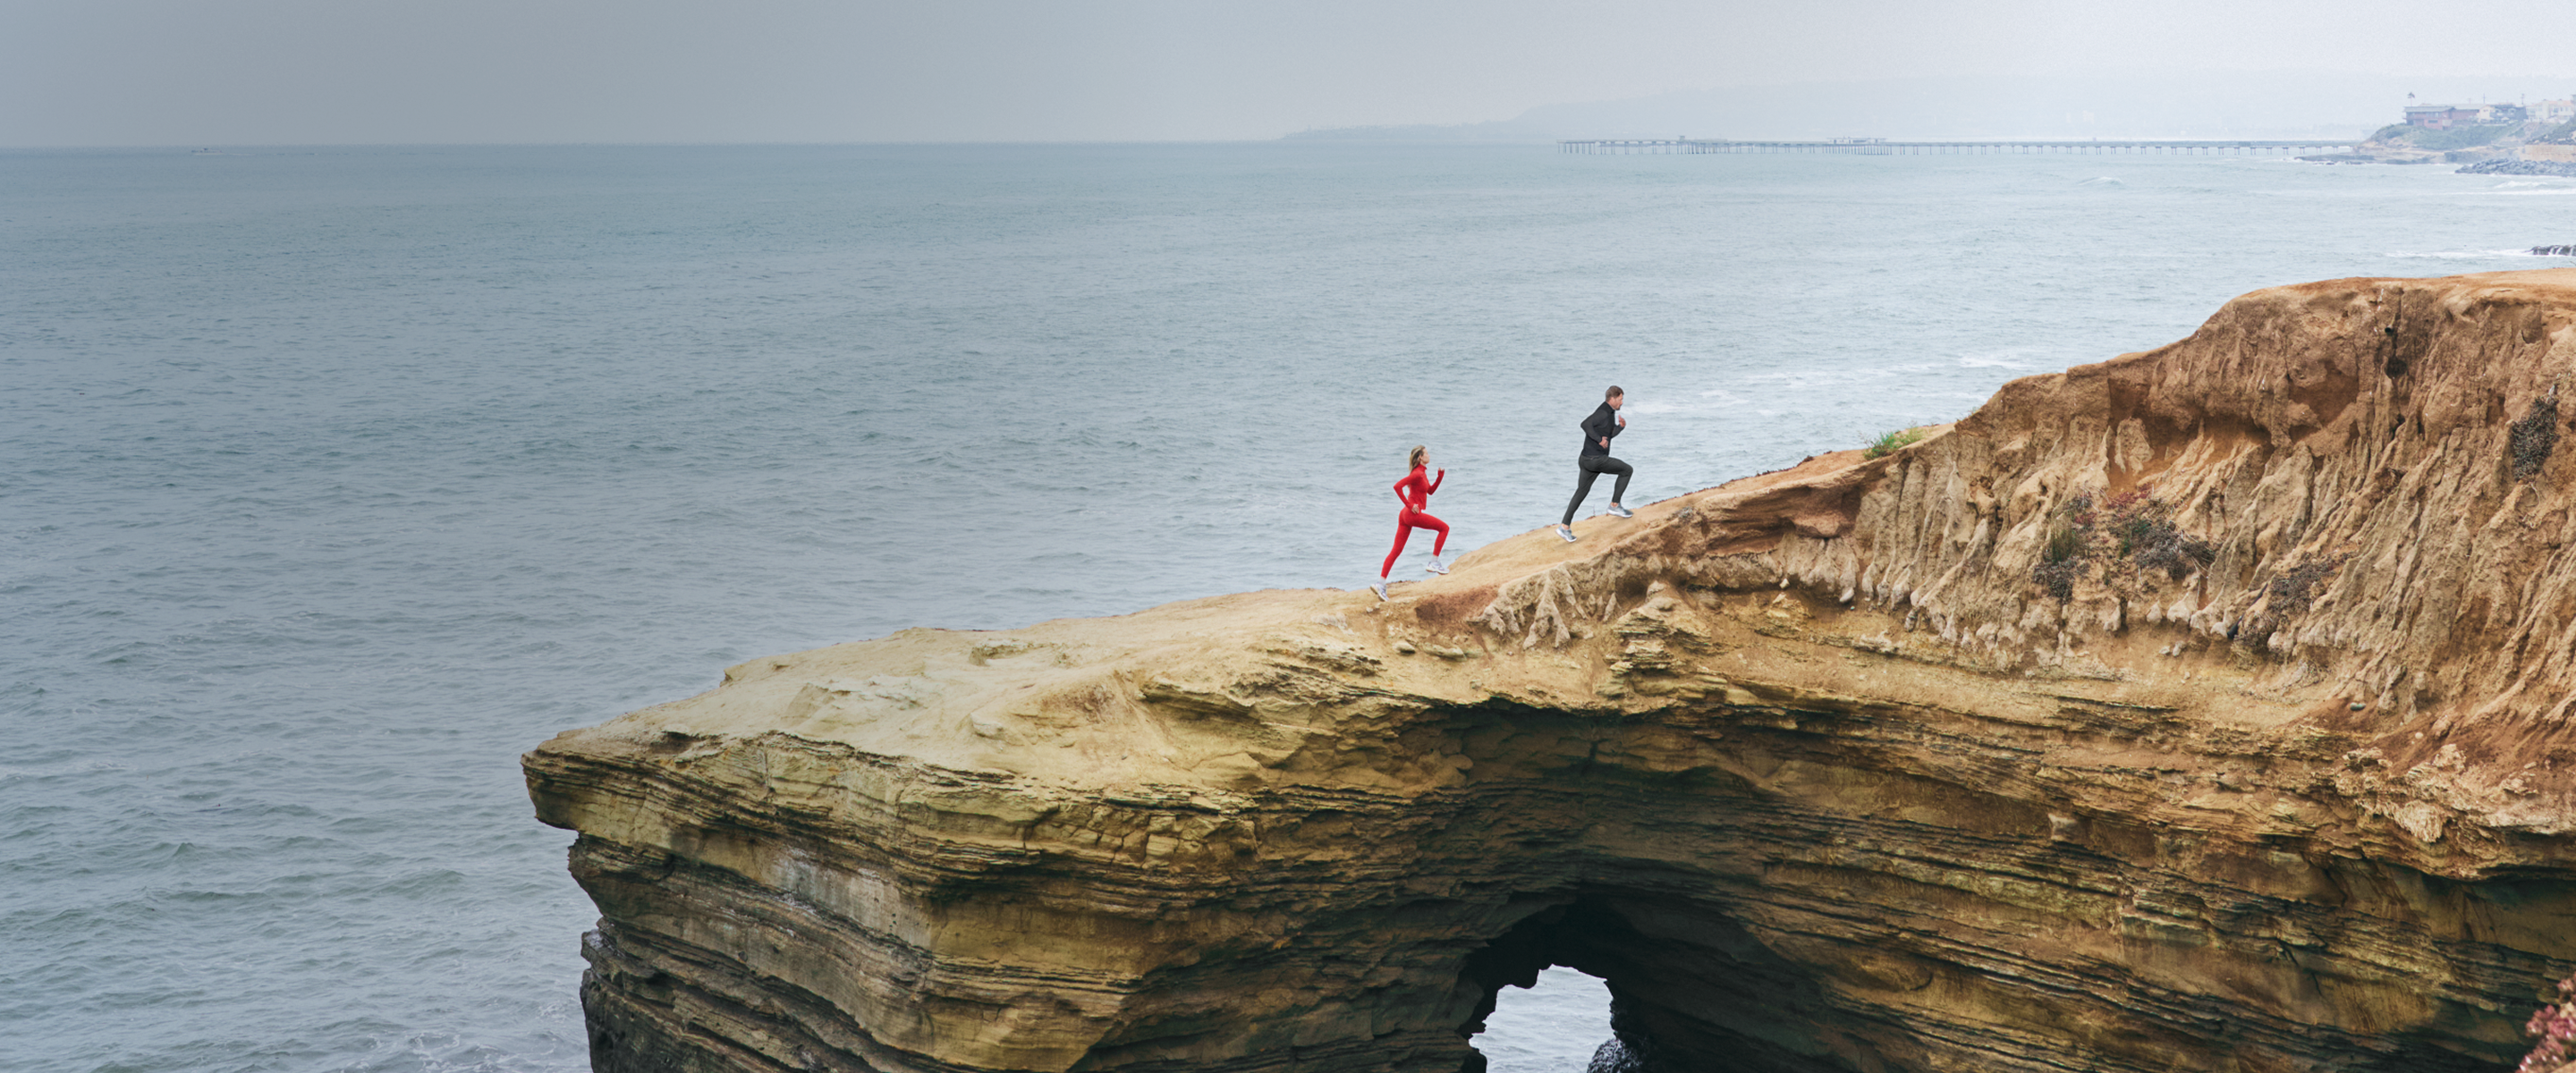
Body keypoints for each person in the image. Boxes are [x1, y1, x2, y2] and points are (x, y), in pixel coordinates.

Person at [1374, 444, 1451, 601]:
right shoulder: (1417, 474)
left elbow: (1430, 491)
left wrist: (1440, 477)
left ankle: (1380, 584)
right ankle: (1434, 562)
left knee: (1396, 550)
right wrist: (1410, 505)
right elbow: (1397, 486)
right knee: (1444, 528)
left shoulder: (1422, 474)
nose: (1429, 455)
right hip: (1410, 514)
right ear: (1420, 458)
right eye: (1427, 453)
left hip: (1405, 516)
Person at [1558, 385, 1632, 541]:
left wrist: (1621, 428)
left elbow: (1609, 435)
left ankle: (1564, 527)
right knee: (1626, 470)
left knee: (1581, 492)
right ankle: (1614, 506)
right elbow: (1585, 424)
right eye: (1620, 399)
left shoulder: (1609, 412)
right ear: (1612, 399)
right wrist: (1599, 440)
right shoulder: (1603, 412)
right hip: (1596, 460)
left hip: (1586, 459)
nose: (1622, 402)